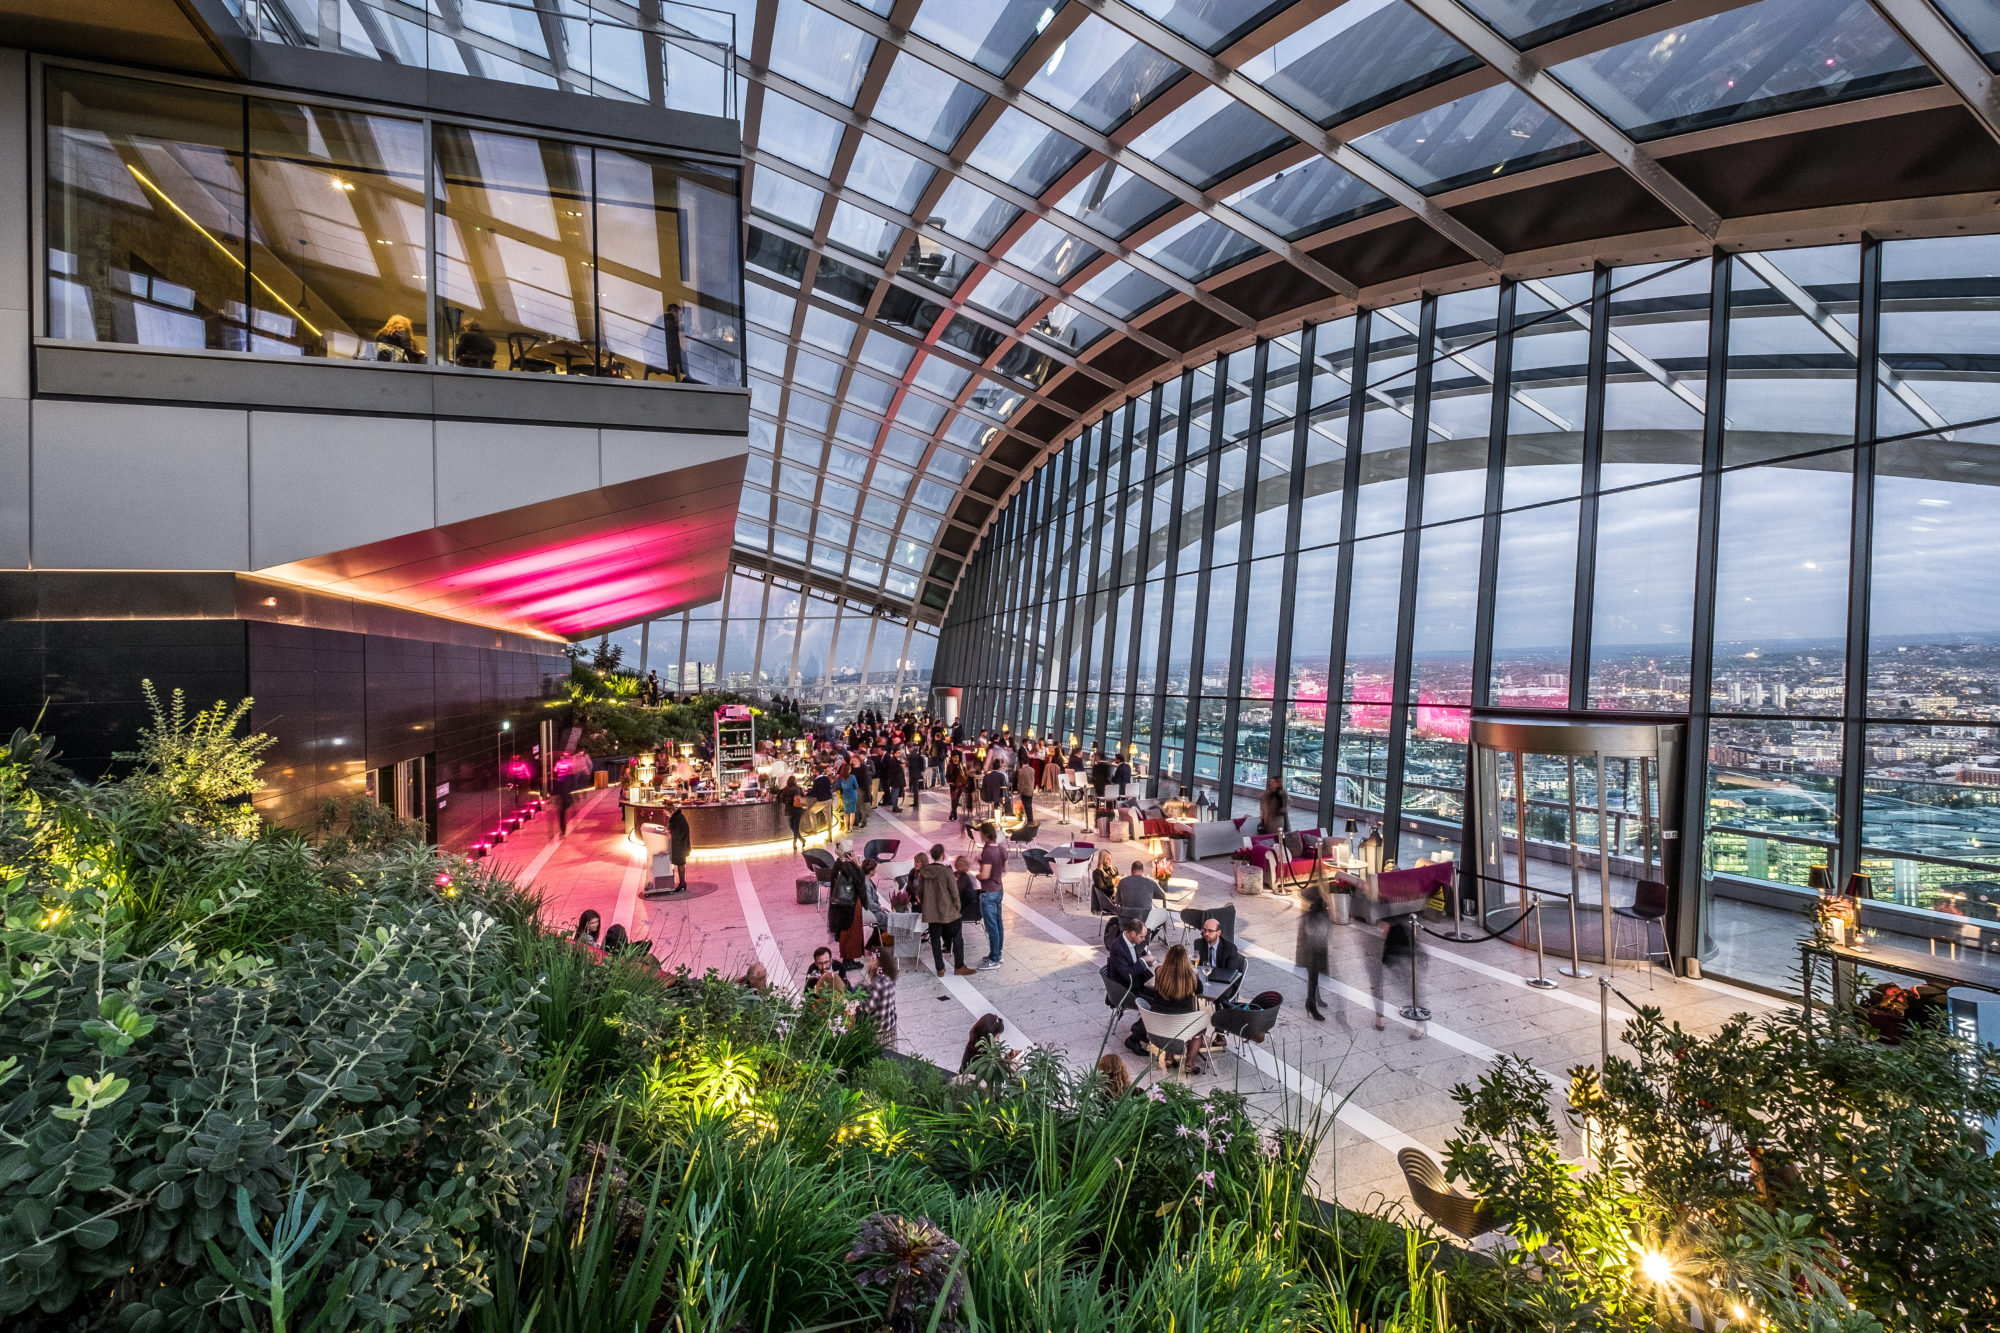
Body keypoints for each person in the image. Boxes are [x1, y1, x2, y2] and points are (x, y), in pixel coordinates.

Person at [1150, 944, 1207, 1074]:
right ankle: (1189, 1063)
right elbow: (1200, 991)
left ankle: (1169, 1058)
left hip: (1160, 1024)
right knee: (1200, 1029)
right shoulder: (1192, 977)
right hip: (1182, 1024)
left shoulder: (1159, 972)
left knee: (1171, 1023)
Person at [916, 852, 973, 977]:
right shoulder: (947, 872)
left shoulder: (924, 872)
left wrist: (926, 905)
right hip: (947, 911)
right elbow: (954, 893)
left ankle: (940, 969)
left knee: (935, 940)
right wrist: (957, 908)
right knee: (957, 936)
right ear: (942, 855)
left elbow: (920, 892)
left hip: (932, 913)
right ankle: (959, 966)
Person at [1107, 919, 1158, 1055]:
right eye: (1141, 936)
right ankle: (1134, 1038)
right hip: (1125, 990)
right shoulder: (1118, 947)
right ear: (1133, 933)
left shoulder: (1129, 942)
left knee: (1162, 997)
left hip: (1135, 984)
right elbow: (1127, 975)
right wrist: (1143, 961)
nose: (1143, 939)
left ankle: (1149, 1031)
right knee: (1155, 1006)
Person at [1297, 875, 1332, 1022]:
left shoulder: (1319, 895)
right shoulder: (1312, 902)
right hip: (1312, 943)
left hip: (1317, 941)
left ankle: (1315, 998)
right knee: (1313, 973)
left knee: (1315, 973)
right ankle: (1310, 1003)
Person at [975, 823, 1007, 970]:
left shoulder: (988, 851)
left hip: (989, 892)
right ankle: (997, 953)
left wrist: (977, 875)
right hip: (999, 889)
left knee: (991, 926)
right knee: (998, 924)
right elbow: (1004, 868)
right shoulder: (1001, 848)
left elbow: (985, 874)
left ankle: (994, 959)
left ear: (984, 834)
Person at [858, 948, 899, 1049]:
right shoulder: (890, 978)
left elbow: (868, 1008)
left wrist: (856, 1005)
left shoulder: (876, 984)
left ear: (878, 964)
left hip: (879, 1031)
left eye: (872, 960)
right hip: (890, 1025)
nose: (868, 962)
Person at [1115, 858, 1168, 935]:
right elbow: (1163, 895)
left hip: (1127, 919)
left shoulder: (1122, 881)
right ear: (1143, 871)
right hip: (1146, 919)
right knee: (1162, 916)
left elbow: (1117, 901)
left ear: (1131, 871)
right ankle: (1149, 936)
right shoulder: (1151, 881)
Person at [665, 802, 691, 892]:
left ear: (670, 811)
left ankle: (682, 883)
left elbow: (676, 832)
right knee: (681, 863)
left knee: (680, 863)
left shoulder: (675, 819)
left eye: (665, 812)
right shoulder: (678, 817)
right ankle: (682, 882)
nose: (665, 814)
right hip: (682, 843)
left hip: (680, 844)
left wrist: (669, 833)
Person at [781, 773, 807, 849]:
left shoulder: (785, 789)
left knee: (792, 826)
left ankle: (796, 842)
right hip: (797, 810)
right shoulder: (798, 789)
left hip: (789, 810)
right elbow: (802, 797)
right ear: (794, 781)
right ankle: (800, 840)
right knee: (796, 827)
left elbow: (782, 799)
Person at [880, 746, 905, 813]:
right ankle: (895, 807)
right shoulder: (893, 761)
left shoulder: (896, 760)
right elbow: (894, 770)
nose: (899, 754)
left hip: (897, 780)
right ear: (894, 754)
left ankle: (896, 806)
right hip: (895, 781)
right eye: (898, 753)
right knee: (895, 794)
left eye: (900, 752)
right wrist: (901, 766)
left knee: (895, 794)